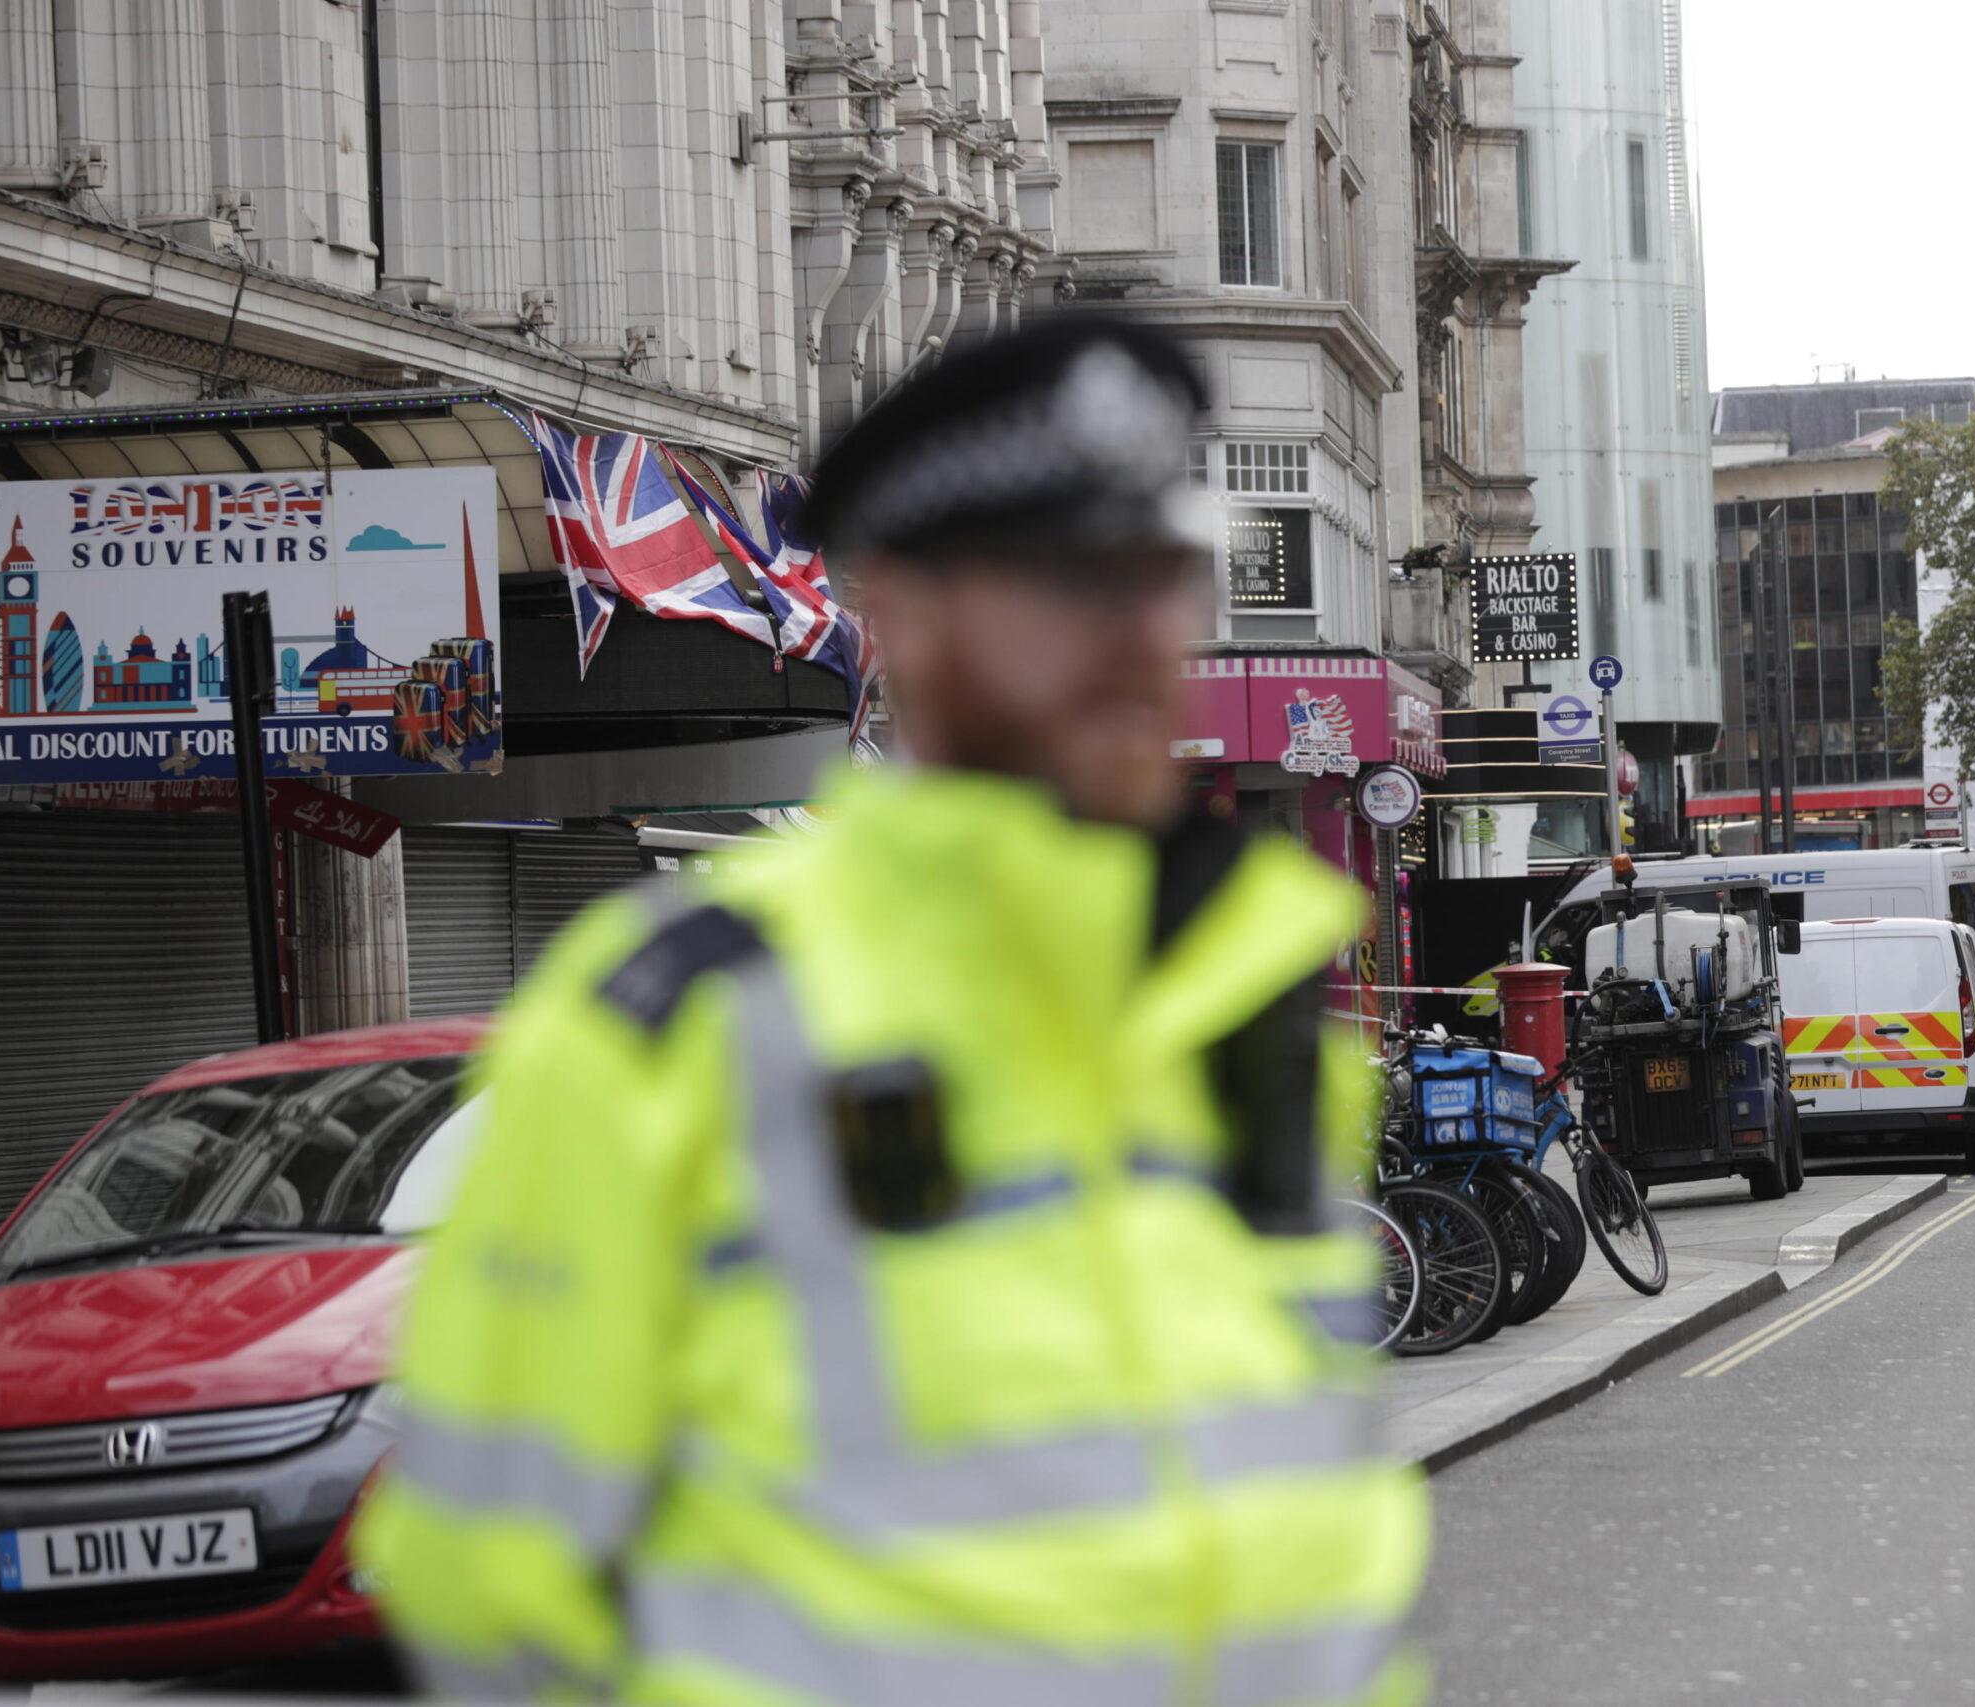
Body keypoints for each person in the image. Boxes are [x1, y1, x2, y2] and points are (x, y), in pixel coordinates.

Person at [355, 318, 1428, 1704]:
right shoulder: (685, 1019)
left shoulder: (1244, 1008)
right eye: (1063, 576)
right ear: (901, 611)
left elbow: (1297, 1502)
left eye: (1163, 571)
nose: (1136, 628)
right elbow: (486, 1572)